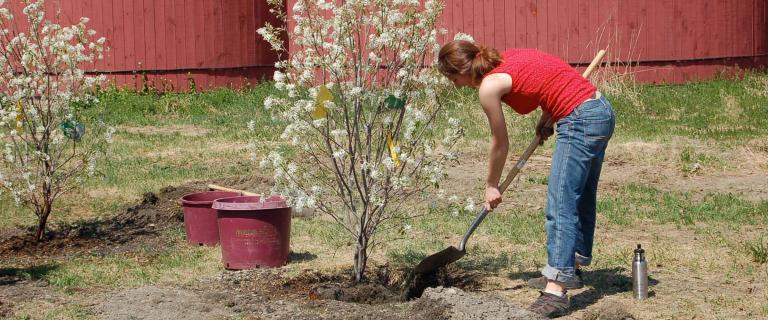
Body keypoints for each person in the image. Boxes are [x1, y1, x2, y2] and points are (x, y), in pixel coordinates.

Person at [437, 40, 615, 318]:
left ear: (462, 70)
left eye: (453, 79)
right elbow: (553, 79)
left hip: (579, 119)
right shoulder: (509, 58)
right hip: (599, 111)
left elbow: (499, 143)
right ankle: (572, 265)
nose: (456, 86)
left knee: (561, 204)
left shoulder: (488, 86)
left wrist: (491, 185)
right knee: (580, 195)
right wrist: (549, 112)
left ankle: (555, 291)